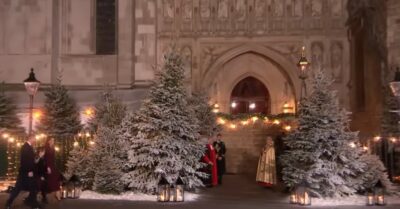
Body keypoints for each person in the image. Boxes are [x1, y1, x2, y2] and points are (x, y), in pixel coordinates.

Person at [5, 136, 40, 209]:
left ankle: (33, 204)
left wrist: (36, 159)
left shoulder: (29, 147)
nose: (35, 140)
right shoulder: (26, 147)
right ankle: (9, 203)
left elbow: (30, 160)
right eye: (34, 139)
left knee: (32, 188)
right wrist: (29, 171)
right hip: (26, 172)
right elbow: (25, 161)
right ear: (30, 138)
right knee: (18, 188)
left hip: (26, 172)